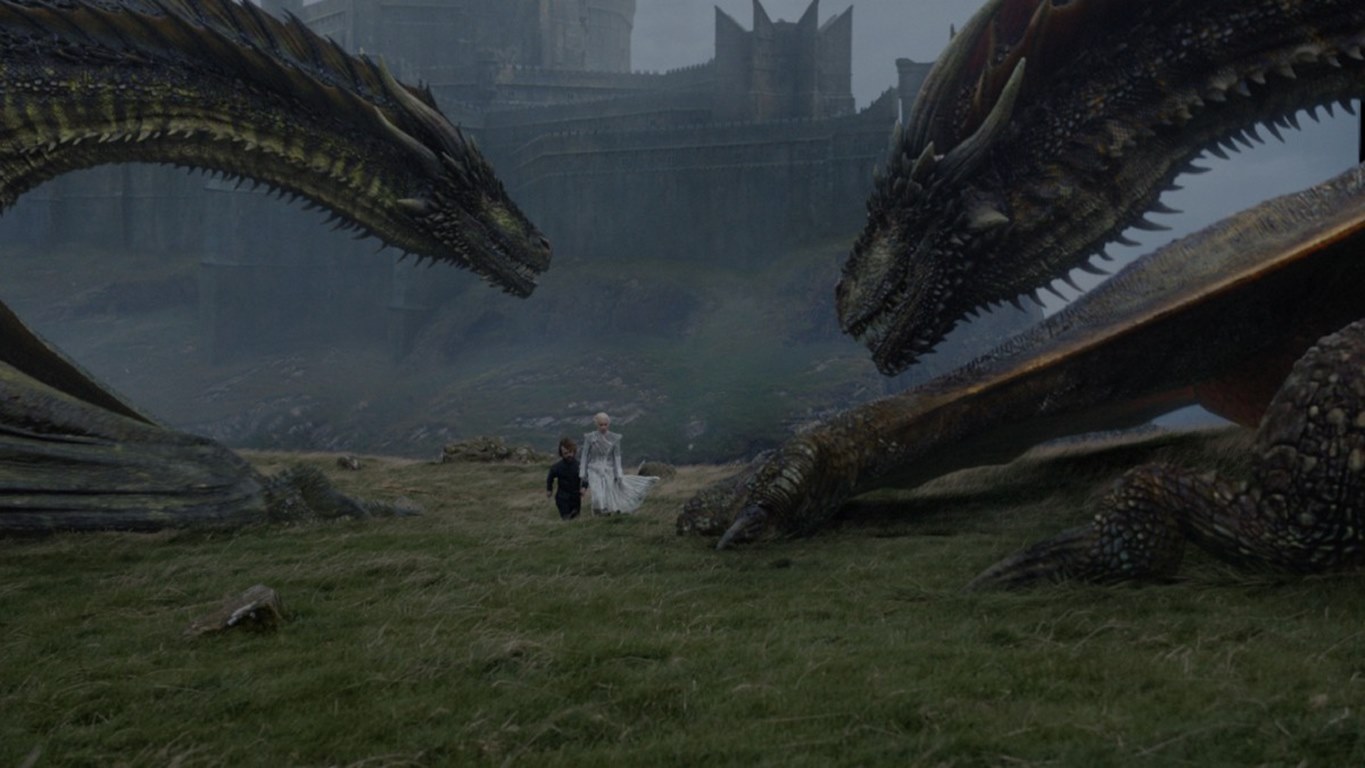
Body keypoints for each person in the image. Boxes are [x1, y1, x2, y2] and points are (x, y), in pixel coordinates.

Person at [579, 412, 657, 515]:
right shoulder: (590, 438)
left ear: (608, 424)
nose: (603, 427)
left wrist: (618, 474)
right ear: (596, 425)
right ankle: (599, 511)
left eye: (605, 424)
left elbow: (616, 457)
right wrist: (583, 473)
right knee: (597, 495)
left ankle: (605, 514)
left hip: (608, 469)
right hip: (593, 469)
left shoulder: (614, 438)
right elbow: (584, 456)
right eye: (601, 425)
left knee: (608, 493)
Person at [545, 437, 583, 520]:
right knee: (566, 518)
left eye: (570, 452)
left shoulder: (579, 466)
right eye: (566, 453)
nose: (569, 455)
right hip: (562, 497)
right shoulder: (557, 467)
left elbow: (585, 477)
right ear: (561, 454)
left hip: (576, 497)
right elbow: (550, 477)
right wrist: (549, 489)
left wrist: (584, 487)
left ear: (574, 451)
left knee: (575, 518)